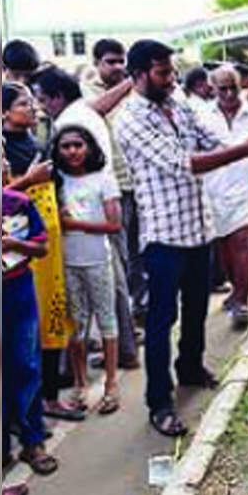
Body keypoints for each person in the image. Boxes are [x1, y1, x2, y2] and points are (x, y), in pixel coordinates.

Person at [114, 40, 248, 437]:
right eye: (162, 72)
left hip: (199, 228)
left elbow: (210, 140)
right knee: (160, 320)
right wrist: (242, 150)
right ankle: (160, 401)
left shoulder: (178, 104)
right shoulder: (131, 119)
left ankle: (190, 367)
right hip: (164, 236)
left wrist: (247, 140)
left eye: (171, 71)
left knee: (194, 310)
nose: (171, 79)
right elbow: (183, 164)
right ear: (137, 75)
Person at [35, 67, 141, 370]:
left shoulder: (69, 122)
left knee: (90, 285)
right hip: (105, 203)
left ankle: (96, 357)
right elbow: (103, 103)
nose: (41, 107)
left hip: (87, 209)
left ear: (57, 97)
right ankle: (124, 348)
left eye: (43, 99)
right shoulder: (83, 111)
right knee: (112, 278)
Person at [2, 82, 86, 422]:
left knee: (44, 329)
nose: (34, 107)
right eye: (23, 102)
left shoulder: (33, 145)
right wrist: (28, 180)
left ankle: (37, 413)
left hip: (36, 254)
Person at [49, 124, 124, 415]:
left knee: (107, 321)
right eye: (66, 146)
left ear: (89, 147)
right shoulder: (55, 181)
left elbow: (114, 225)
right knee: (76, 326)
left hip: (97, 261)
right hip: (67, 263)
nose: (72, 151)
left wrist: (75, 225)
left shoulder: (103, 179)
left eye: (78, 145)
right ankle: (80, 383)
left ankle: (111, 384)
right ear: (57, 151)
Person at [82, 39, 149, 340]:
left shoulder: (135, 90)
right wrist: (130, 82)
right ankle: (120, 330)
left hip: (137, 182)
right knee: (118, 259)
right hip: (111, 189)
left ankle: (140, 310)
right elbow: (95, 111)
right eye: (111, 61)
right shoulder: (86, 89)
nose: (118, 67)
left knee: (139, 253)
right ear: (97, 63)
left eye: (122, 61)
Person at [200, 66, 248, 329]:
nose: (229, 94)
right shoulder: (201, 116)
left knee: (241, 241)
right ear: (213, 89)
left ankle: (242, 300)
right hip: (213, 191)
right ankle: (234, 290)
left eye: (234, 87)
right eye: (223, 89)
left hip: (246, 189)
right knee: (223, 245)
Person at [2, 170, 58, 483]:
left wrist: (12, 243)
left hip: (17, 289)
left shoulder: (17, 204)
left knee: (25, 363)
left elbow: (41, 244)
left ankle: (32, 438)